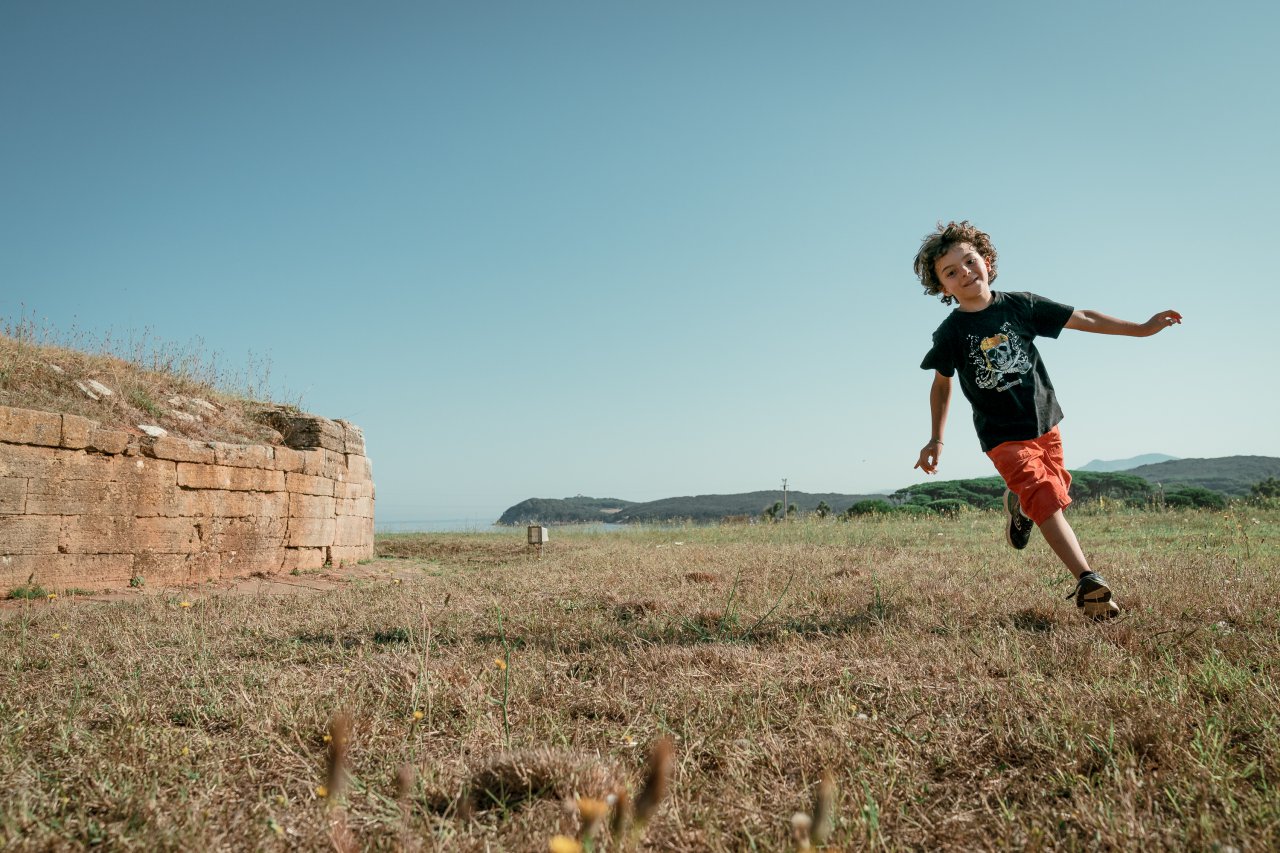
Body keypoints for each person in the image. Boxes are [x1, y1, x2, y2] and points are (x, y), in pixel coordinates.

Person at [911, 221, 1182, 619]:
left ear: (986, 261)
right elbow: (941, 384)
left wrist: (1141, 329)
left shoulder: (1021, 305)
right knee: (1046, 498)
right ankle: (1088, 580)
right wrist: (936, 438)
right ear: (943, 288)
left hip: (1045, 424)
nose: (964, 272)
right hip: (1002, 436)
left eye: (969, 261)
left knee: (1053, 491)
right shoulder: (951, 333)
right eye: (951, 272)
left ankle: (1019, 508)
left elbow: (1083, 317)